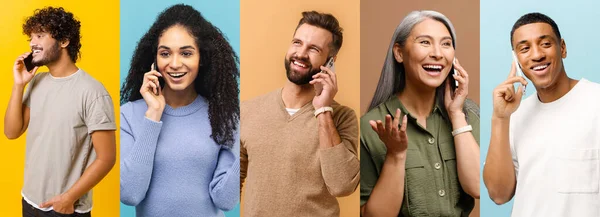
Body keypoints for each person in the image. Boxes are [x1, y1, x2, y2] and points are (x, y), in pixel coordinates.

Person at [119, 4, 240, 217]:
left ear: (201, 58)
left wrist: (248, 147)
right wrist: (153, 115)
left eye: (186, 53)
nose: (175, 64)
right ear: (154, 60)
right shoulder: (129, 115)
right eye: (165, 53)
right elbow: (129, 194)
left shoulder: (223, 116)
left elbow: (226, 200)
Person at [360, 10, 480, 217]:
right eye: (425, 42)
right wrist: (395, 155)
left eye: (446, 43)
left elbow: (478, 187)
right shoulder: (370, 126)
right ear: (399, 53)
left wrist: (456, 115)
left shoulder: (467, 114)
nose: (438, 53)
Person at [240, 11, 359, 217]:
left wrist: (323, 109)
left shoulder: (341, 117)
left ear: (330, 61)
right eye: (297, 43)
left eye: (313, 48)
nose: (301, 54)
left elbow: (342, 186)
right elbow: (232, 183)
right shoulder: (248, 110)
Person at [483, 12, 600, 217]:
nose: (537, 55)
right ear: (516, 58)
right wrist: (500, 118)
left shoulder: (595, 101)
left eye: (545, 44)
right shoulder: (513, 115)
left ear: (562, 48)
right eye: (525, 48)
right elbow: (498, 194)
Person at [4, 6, 117, 217]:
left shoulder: (92, 92)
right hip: (30, 200)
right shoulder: (37, 81)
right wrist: (19, 84)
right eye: (30, 38)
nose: (32, 43)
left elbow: (107, 158)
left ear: (64, 41)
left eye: (39, 35)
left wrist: (68, 198)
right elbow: (11, 132)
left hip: (66, 208)